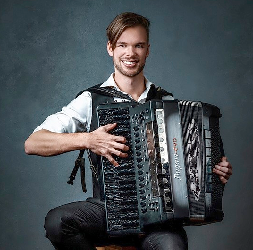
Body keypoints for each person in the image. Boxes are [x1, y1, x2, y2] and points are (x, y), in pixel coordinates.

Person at [24, 12, 232, 250]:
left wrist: (213, 172)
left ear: (148, 50)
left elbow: (188, 169)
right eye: (123, 45)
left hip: (159, 222)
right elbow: (33, 143)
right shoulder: (91, 100)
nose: (131, 53)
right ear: (110, 48)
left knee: (172, 247)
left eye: (138, 45)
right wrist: (88, 140)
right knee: (57, 223)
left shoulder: (167, 101)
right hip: (107, 210)